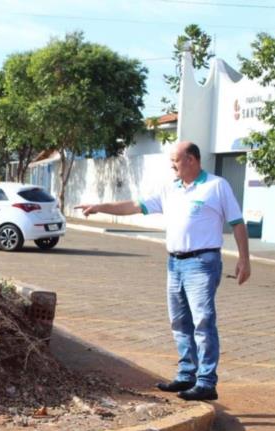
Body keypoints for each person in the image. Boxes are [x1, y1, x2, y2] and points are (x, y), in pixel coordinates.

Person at [76, 141, 250, 401]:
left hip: (203, 263)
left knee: (203, 321)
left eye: (175, 161)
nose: (172, 166)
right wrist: (100, 206)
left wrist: (244, 259)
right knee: (180, 322)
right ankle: (186, 375)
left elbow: (237, 223)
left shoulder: (216, 186)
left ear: (191, 160)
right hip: (175, 263)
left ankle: (206, 381)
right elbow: (134, 206)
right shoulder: (171, 189)